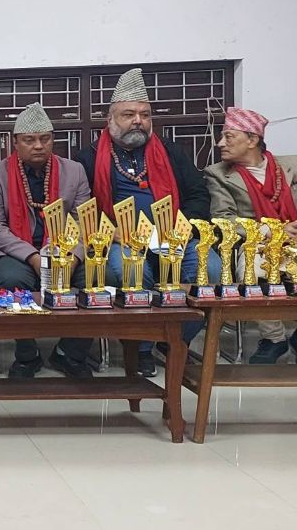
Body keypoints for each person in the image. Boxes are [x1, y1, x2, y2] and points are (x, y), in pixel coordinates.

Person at [76, 68, 219, 376]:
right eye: (129, 114)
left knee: (212, 268)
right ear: (111, 119)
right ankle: (141, 348)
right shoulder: (89, 157)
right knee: (130, 270)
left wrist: (181, 228)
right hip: (122, 239)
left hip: (174, 235)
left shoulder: (170, 152)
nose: (138, 121)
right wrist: (109, 231)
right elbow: (82, 207)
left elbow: (198, 195)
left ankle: (176, 339)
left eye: (145, 115)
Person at [0, 104, 94, 379]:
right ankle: (27, 354)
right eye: (29, 140)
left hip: (64, 249)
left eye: (45, 139)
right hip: (15, 249)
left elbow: (83, 221)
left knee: (98, 276)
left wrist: (73, 257)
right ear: (15, 142)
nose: (38, 146)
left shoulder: (74, 171)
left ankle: (70, 353)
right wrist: (33, 257)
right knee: (11, 279)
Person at [204, 107, 297, 363]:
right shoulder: (218, 174)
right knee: (252, 268)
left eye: (229, 137)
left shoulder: (290, 166)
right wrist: (274, 230)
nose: (220, 143)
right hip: (257, 242)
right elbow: (223, 219)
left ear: (252, 139)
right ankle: (274, 338)